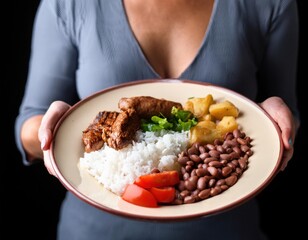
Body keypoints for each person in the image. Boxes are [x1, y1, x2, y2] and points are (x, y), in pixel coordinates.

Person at [15, 0, 300, 239]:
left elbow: (287, 112)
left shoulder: (270, 4)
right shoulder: (69, 4)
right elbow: (29, 125)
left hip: (226, 230)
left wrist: (277, 118)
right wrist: (49, 132)